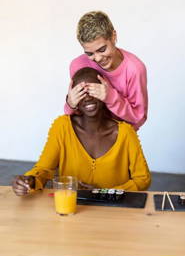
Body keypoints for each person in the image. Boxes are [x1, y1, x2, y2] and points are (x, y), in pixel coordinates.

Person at [12, 67, 151, 196]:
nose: (88, 97)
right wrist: (30, 180)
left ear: (105, 91)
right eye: (81, 92)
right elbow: (44, 169)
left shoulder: (125, 132)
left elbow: (142, 179)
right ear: (72, 97)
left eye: (92, 90)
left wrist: (103, 193)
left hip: (114, 211)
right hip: (72, 208)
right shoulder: (62, 127)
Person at [64, 11, 148, 131]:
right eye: (89, 53)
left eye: (102, 49)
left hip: (119, 137)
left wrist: (111, 97)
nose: (97, 58)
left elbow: (139, 117)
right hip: (87, 137)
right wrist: (70, 104)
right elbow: (77, 113)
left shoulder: (134, 69)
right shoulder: (78, 65)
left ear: (113, 37)